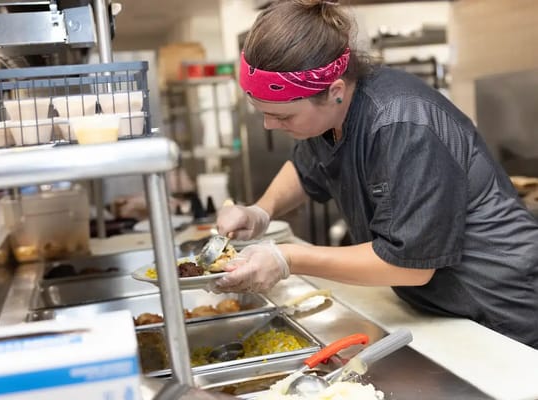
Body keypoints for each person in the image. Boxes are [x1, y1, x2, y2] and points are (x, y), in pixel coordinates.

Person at [213, 0, 538, 349]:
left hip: (501, 311)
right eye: (263, 113)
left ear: (334, 90)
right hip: (442, 310)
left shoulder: (404, 123)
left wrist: (287, 258)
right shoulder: (331, 116)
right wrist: (260, 211)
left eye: (283, 116)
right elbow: (305, 167)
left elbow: (409, 264)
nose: (269, 124)